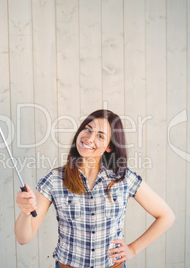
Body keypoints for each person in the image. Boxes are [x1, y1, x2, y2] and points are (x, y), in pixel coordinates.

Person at [15, 109, 175, 268]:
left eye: (100, 136)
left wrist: (133, 249)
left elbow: (166, 216)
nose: (89, 138)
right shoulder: (55, 179)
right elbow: (23, 237)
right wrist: (25, 212)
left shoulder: (124, 178)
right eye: (87, 129)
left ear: (109, 147)